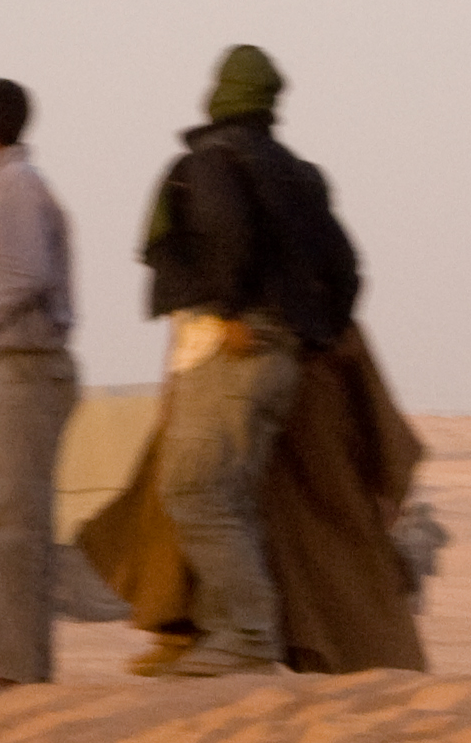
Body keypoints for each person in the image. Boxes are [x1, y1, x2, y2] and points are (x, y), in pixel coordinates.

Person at [136, 44, 360, 678]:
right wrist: (315, 334)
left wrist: (232, 309)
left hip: (232, 343)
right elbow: (346, 269)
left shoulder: (213, 162)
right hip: (282, 359)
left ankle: (248, 640)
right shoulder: (301, 175)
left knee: (193, 486)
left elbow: (224, 231)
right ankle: (222, 638)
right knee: (232, 498)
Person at [0, 78, 78, 688]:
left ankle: (15, 669)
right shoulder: (9, 188)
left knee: (15, 524)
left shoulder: (17, 191)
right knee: (17, 520)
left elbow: (23, 277)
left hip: (28, 366)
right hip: (15, 367)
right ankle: (20, 663)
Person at [392, 499, 451, 612]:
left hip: (422, 560)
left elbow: (445, 539)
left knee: (417, 584)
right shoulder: (407, 524)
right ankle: (410, 605)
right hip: (409, 559)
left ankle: (415, 606)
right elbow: (397, 538)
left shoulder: (431, 526)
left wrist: (433, 543)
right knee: (411, 583)